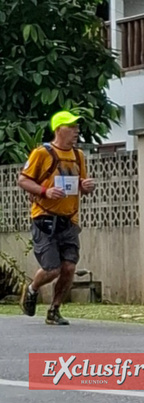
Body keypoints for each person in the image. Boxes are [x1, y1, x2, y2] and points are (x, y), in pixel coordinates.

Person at [17, 111, 96, 325]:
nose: (76, 131)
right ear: (59, 129)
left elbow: (79, 184)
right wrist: (45, 191)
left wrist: (86, 186)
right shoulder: (42, 153)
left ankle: (54, 310)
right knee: (52, 269)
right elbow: (23, 180)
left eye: (77, 127)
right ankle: (32, 289)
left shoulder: (78, 155)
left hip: (69, 220)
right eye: (71, 127)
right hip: (44, 219)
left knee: (69, 267)